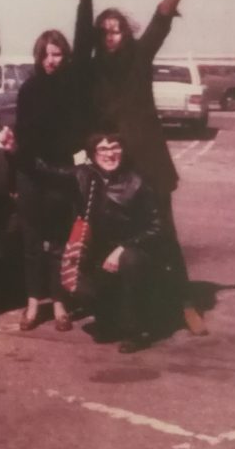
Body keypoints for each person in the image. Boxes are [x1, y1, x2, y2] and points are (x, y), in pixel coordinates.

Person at [77, 0, 208, 336]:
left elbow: (162, 19)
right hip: (115, 171)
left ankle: (184, 303)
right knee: (115, 243)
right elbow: (81, 40)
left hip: (148, 165)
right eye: (105, 31)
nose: (111, 36)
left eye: (117, 29)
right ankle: (128, 309)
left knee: (164, 234)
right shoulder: (94, 70)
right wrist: (85, 3)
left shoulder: (139, 57)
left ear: (126, 34)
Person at [12, 14, 90, 331]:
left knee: (59, 243)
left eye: (57, 54)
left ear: (65, 55)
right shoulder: (28, 89)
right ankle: (32, 304)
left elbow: (85, 45)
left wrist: (84, 4)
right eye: (45, 54)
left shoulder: (74, 88)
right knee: (32, 243)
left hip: (62, 174)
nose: (51, 61)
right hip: (32, 173)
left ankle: (59, 302)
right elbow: (21, 137)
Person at [71, 133, 167, 353]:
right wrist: (14, 151)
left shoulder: (138, 182)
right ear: (93, 155)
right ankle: (108, 320)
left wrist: (123, 248)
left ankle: (137, 330)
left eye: (114, 147)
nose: (109, 154)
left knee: (130, 262)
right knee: (80, 285)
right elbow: (46, 172)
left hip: (135, 249)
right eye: (102, 149)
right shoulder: (85, 176)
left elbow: (158, 227)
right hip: (98, 252)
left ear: (123, 150)